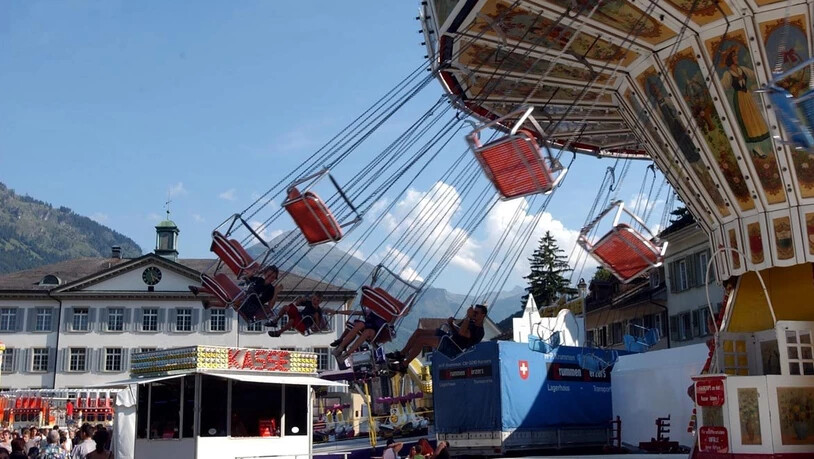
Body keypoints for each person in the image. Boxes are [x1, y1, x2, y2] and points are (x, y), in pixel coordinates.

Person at [388, 305, 487, 371]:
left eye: (476, 313)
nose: (474, 314)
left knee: (421, 340)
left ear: (483, 315)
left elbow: (462, 332)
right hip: (450, 338)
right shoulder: (469, 322)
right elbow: (457, 330)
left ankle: (404, 365)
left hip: (454, 348)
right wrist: (451, 324)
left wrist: (468, 317)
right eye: (474, 312)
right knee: (419, 332)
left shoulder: (479, 331)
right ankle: (402, 354)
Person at [268, 292, 350, 337]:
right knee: (286, 307)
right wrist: (301, 300)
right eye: (314, 299)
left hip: (303, 324)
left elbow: (317, 326)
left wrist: (316, 318)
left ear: (320, 302)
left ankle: (279, 332)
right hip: (299, 316)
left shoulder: (318, 311)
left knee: (292, 321)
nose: (315, 302)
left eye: (317, 300)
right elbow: (297, 304)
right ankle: (275, 320)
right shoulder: (309, 303)